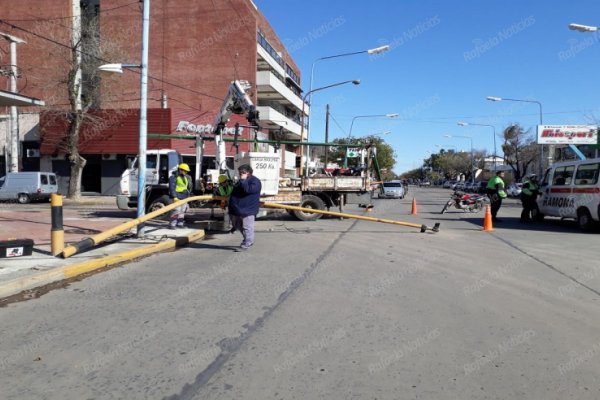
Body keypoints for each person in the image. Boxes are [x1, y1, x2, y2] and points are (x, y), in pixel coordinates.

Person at [228, 164, 261, 250]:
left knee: (247, 227)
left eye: (243, 172)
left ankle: (248, 242)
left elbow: (248, 190)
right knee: (238, 225)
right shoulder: (241, 181)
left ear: (248, 172)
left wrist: (243, 180)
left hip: (248, 209)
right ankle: (247, 239)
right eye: (240, 172)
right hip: (237, 209)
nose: (241, 174)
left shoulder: (255, 181)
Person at [168, 163, 192, 229]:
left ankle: (180, 224)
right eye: (185, 170)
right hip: (177, 196)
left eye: (187, 171)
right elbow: (172, 187)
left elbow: (186, 187)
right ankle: (172, 224)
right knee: (176, 211)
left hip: (184, 197)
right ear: (180, 170)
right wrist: (174, 197)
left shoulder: (185, 177)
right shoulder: (174, 177)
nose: (186, 172)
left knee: (182, 211)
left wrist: (188, 194)